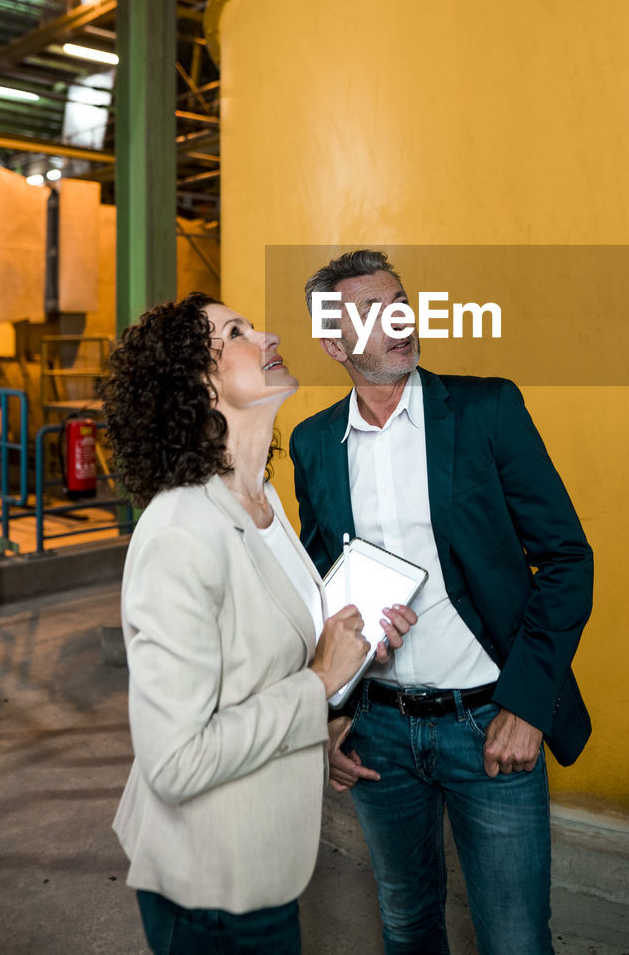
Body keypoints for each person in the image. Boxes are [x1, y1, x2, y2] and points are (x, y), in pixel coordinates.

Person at [289, 251, 594, 955]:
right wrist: (332, 712)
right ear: (334, 344)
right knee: (407, 928)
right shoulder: (312, 445)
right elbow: (321, 593)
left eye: (399, 300)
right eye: (369, 311)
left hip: (490, 724)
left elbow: (568, 560)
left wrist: (525, 706)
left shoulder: (487, 409)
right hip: (378, 735)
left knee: (515, 941)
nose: (398, 318)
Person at [99, 291, 416, 955]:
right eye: (236, 333)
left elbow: (265, 667)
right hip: (211, 885)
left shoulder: (261, 500)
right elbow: (176, 761)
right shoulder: (180, 530)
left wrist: (339, 686)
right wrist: (314, 686)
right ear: (199, 385)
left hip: (263, 859)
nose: (267, 334)